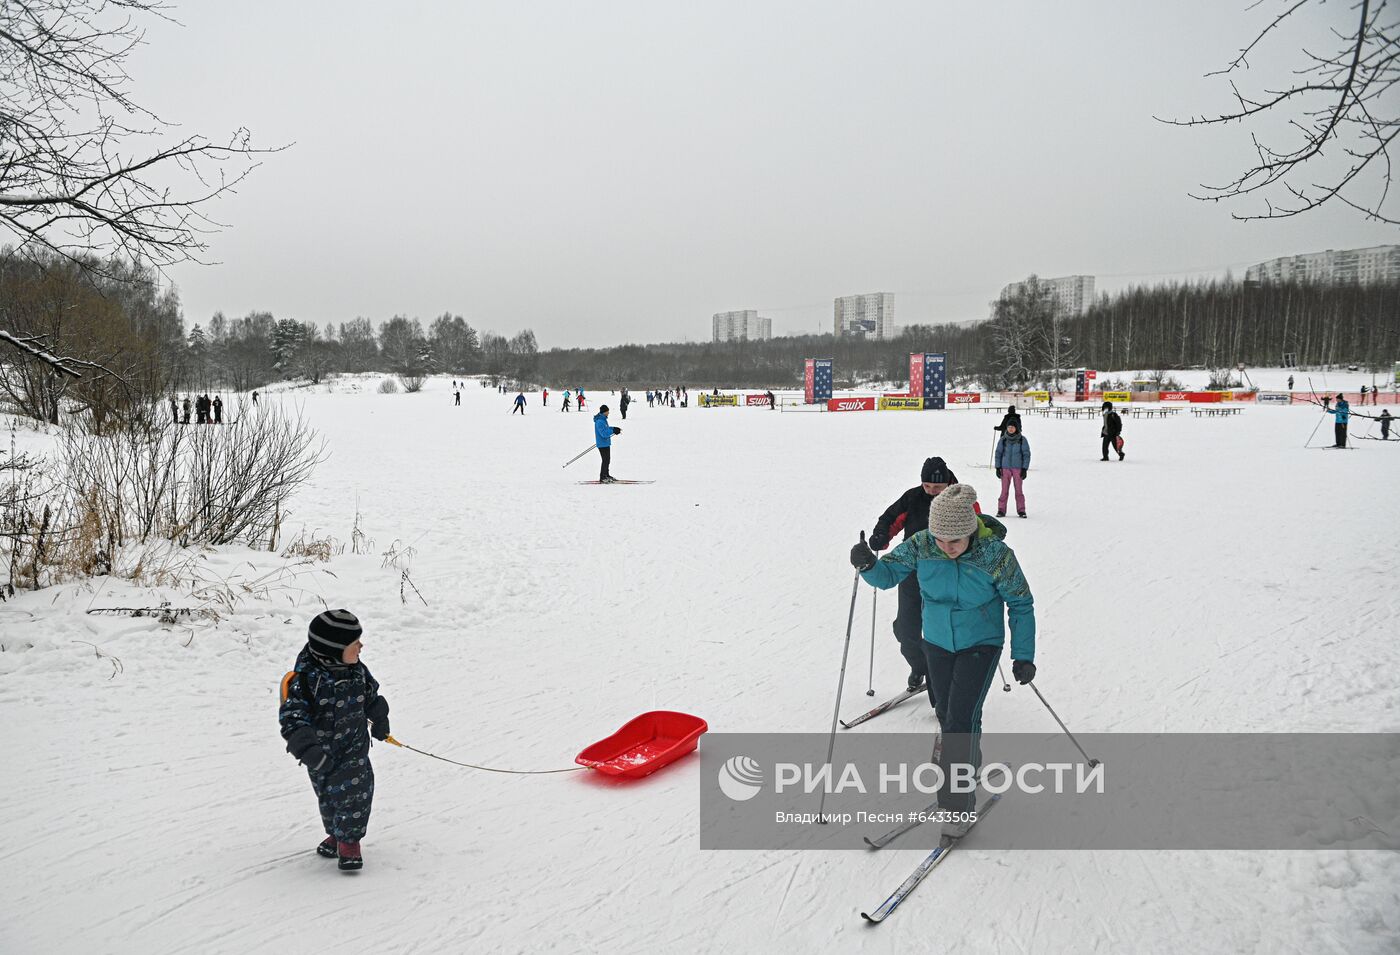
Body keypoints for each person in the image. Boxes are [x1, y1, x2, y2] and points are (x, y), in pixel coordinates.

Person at [851, 485, 1035, 838]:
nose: (946, 548)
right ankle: (967, 761)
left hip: (980, 643)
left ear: (970, 531)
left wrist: (1023, 655)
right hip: (935, 641)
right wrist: (867, 564)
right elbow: (888, 576)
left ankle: (956, 808)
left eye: (955, 541)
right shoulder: (922, 544)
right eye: (940, 540)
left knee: (959, 723)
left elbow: (1021, 603)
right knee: (949, 714)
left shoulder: (995, 555)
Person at [279, 609, 390, 872]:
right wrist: (307, 749)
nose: (361, 647)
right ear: (333, 649)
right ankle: (337, 834)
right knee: (328, 797)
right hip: (320, 754)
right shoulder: (305, 681)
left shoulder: (357, 672)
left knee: (355, 795)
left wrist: (379, 719)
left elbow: (371, 696)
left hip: (353, 748)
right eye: (355, 644)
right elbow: (292, 718)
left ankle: (350, 841)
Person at [868, 457, 989, 696]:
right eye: (927, 487)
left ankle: (940, 684)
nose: (932, 492)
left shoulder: (961, 500)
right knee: (905, 631)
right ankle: (921, 667)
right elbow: (890, 518)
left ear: (947, 484)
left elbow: (978, 530)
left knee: (941, 632)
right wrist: (881, 535)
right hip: (913, 571)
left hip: (947, 574)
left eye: (937, 488)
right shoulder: (913, 497)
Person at [994, 422, 1031, 518]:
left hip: (1017, 469)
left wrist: (1024, 469)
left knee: (1019, 491)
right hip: (1005, 468)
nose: (1010, 429)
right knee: (1004, 491)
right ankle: (1001, 510)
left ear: (1016, 428)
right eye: (1009, 427)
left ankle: (1021, 510)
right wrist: (998, 467)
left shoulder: (1022, 440)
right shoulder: (1003, 440)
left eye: (1012, 427)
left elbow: (1026, 455)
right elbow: (998, 453)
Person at [593, 404, 621, 482]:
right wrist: (613, 431)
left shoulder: (603, 419)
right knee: (605, 460)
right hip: (602, 444)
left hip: (605, 443)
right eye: (607, 411)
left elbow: (607, 429)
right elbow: (604, 433)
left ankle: (606, 475)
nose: (608, 413)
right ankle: (602, 477)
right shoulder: (599, 421)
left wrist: (614, 429)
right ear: (604, 412)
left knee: (607, 460)